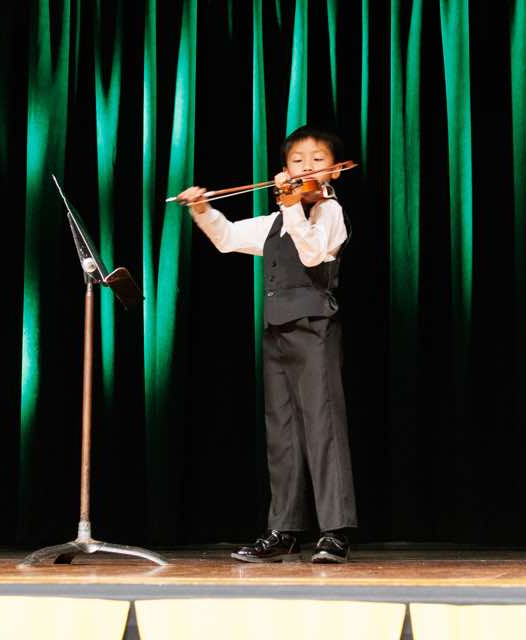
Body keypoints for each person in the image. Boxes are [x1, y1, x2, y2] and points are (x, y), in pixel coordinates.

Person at [177, 125, 357, 563]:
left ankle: (334, 531)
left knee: (323, 427)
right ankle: (284, 529)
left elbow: (312, 253)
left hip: (314, 329)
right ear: (284, 169)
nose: (306, 167)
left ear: (334, 169)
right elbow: (227, 239)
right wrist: (202, 209)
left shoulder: (329, 211)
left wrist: (292, 207)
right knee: (282, 432)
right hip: (276, 332)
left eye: (317, 160)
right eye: (297, 161)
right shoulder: (276, 220)